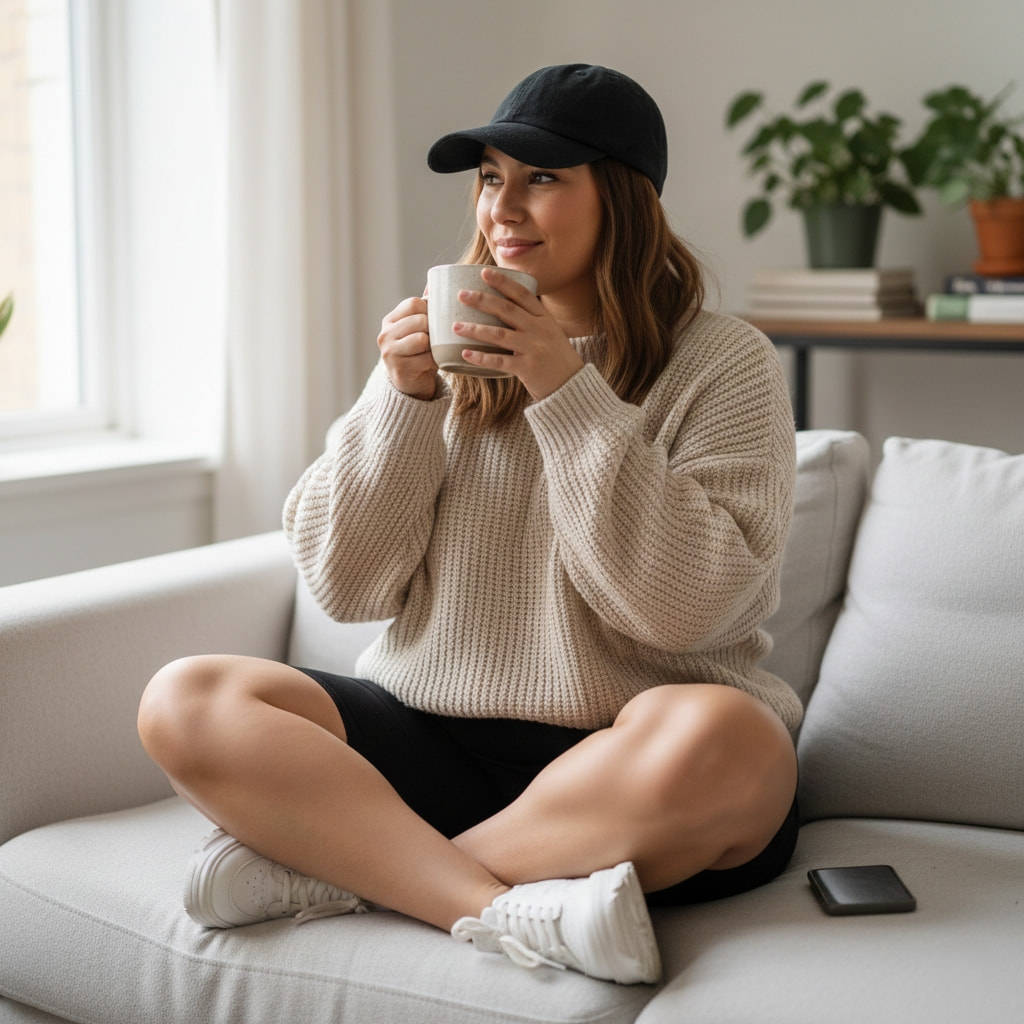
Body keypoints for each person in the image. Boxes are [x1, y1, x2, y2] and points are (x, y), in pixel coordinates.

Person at [138, 63, 801, 987]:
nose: (503, 209)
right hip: (431, 735)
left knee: (731, 743)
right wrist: (401, 403)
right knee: (189, 696)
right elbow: (346, 584)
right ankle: (491, 905)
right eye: (491, 178)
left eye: (543, 178)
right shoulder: (444, 354)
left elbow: (688, 612)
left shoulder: (725, 363)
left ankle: (348, 869)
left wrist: (564, 391)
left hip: (625, 760)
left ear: (625, 197)